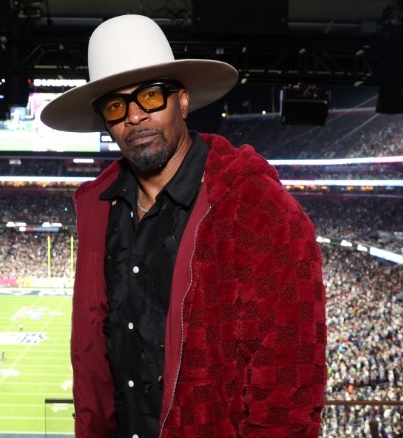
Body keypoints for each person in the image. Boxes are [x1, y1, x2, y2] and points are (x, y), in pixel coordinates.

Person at [41, 14, 327, 437]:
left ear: (184, 101)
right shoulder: (99, 210)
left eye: (151, 96)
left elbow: (288, 397)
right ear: (106, 121)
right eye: (117, 105)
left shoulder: (260, 213)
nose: (135, 117)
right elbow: (96, 364)